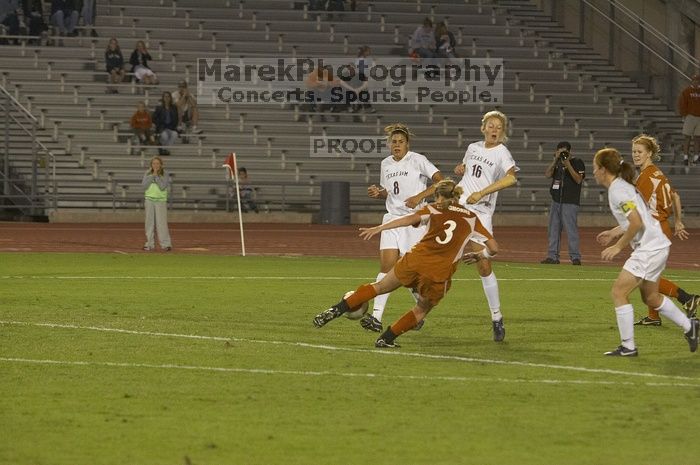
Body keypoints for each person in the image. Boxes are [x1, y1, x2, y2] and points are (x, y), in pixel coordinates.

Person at [313, 179, 499, 348]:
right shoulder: (472, 218)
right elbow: (493, 248)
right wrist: (480, 254)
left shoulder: (434, 208)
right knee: (421, 309)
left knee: (379, 287)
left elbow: (407, 220)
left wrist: (380, 227)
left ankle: (335, 310)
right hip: (438, 273)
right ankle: (386, 338)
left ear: (437, 195)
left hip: (415, 260)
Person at [593, 148, 698, 356]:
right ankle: (691, 327)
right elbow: (634, 218)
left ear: (604, 170)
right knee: (650, 298)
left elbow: (636, 222)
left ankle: (628, 346)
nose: (594, 172)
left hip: (649, 249)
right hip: (658, 245)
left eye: (595, 168)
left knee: (618, 292)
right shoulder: (621, 187)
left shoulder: (617, 190)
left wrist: (617, 246)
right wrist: (614, 233)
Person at [359, 123, 444, 333]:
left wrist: (420, 196)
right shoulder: (386, 164)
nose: (397, 145)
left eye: (401, 142)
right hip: (391, 219)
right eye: (394, 142)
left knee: (410, 273)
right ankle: (376, 318)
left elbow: (441, 182)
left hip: (414, 222)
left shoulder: (418, 160)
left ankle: (419, 311)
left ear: (408, 144)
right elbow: (389, 192)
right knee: (386, 268)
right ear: (389, 144)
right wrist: (378, 193)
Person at [453, 110, 517, 342]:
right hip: (459, 208)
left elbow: (511, 178)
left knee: (483, 265)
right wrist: (460, 169)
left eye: (498, 127)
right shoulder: (472, 147)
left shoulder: (502, 152)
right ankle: (419, 309)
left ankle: (497, 317)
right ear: (483, 128)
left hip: (481, 212)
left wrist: (482, 192)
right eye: (490, 125)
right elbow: (466, 171)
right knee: (438, 254)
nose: (494, 129)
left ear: (503, 132)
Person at [629, 134, 699, 325]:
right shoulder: (658, 174)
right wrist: (678, 221)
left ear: (649, 153)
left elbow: (636, 210)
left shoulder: (645, 178)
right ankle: (653, 316)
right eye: (634, 151)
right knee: (650, 275)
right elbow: (675, 196)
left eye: (639, 151)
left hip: (653, 230)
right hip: (661, 228)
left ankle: (686, 298)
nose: (635, 155)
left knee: (644, 278)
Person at [540, 141, 585, 265]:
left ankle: (575, 257)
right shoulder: (557, 164)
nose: (563, 154)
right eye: (560, 151)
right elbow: (547, 174)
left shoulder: (577, 162)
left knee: (571, 230)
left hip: (570, 202)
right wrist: (555, 160)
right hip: (556, 201)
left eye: (565, 151)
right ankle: (552, 256)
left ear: (570, 152)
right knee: (553, 229)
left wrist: (568, 164)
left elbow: (578, 179)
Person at [142, 156, 172, 252]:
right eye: (154, 163)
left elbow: (163, 187)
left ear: (161, 165)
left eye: (157, 163)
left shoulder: (165, 174)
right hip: (149, 200)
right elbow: (144, 185)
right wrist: (152, 176)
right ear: (151, 164)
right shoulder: (147, 173)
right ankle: (149, 244)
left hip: (160, 201)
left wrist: (156, 176)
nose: (155, 165)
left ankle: (166, 244)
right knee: (149, 223)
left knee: (161, 223)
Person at [678, 73, 700, 166]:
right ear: (691, 81)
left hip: (699, 117)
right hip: (690, 116)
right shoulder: (686, 91)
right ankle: (685, 157)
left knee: (697, 138)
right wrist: (683, 115)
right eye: (694, 80)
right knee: (687, 137)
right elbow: (682, 103)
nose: (695, 82)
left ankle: (696, 157)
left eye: (697, 81)